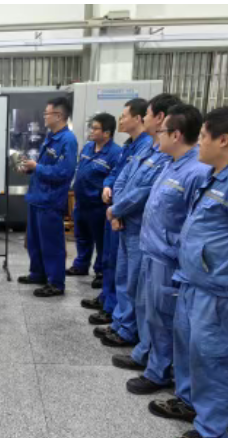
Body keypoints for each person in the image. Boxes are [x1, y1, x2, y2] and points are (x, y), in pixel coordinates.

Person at [117, 104, 209, 396]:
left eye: (163, 130)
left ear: (176, 134)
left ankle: (161, 372)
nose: (158, 133)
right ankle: (152, 361)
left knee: (167, 318)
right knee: (152, 313)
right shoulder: (171, 163)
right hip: (152, 250)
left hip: (169, 259)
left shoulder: (196, 172)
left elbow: (194, 225)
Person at [149, 107, 228, 438]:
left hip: (216, 288)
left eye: (205, 137)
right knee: (194, 352)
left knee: (213, 358)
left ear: (223, 140)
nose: (200, 143)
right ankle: (192, 405)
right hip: (194, 279)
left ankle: (215, 429)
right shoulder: (212, 176)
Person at [97, 94, 182, 349]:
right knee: (123, 277)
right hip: (124, 221)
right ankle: (121, 324)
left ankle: (129, 331)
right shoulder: (147, 148)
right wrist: (116, 210)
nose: (144, 117)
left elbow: (144, 192)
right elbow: (124, 177)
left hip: (137, 226)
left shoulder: (165, 155)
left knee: (135, 283)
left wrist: (117, 210)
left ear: (160, 118)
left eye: (147, 114)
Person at [85, 99, 152, 326]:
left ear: (138, 118)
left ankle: (114, 308)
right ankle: (107, 299)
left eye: (124, 116)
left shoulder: (146, 146)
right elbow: (117, 173)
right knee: (109, 259)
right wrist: (107, 185)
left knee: (121, 267)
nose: (120, 120)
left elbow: (138, 186)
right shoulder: (129, 145)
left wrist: (118, 209)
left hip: (124, 215)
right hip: (114, 209)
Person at [18, 97, 78, 297]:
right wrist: (30, 168)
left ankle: (55, 283)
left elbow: (64, 172)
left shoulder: (68, 140)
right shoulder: (51, 137)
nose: (44, 116)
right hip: (37, 197)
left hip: (50, 200)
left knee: (51, 244)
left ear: (58, 116)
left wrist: (37, 167)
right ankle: (38, 274)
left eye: (47, 113)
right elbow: (45, 166)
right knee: (34, 241)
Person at [68, 113, 121, 290]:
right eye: (91, 127)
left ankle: (101, 271)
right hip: (81, 201)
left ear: (107, 133)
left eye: (96, 128)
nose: (91, 131)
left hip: (98, 206)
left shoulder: (115, 153)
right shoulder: (88, 147)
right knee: (81, 236)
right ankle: (81, 265)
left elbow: (115, 177)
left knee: (101, 240)